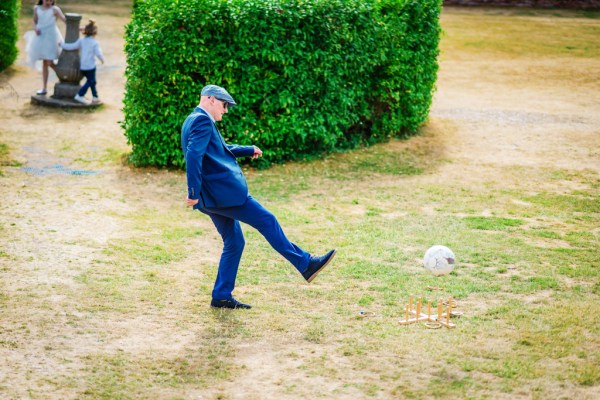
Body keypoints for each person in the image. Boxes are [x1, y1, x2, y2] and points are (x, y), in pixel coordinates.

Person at [182, 85, 337, 309]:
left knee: (234, 242)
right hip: (223, 195)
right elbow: (194, 155)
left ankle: (221, 296)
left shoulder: (193, 119)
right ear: (211, 100)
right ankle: (306, 264)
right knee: (267, 220)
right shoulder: (202, 121)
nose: (226, 110)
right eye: (224, 105)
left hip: (212, 198)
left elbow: (219, 150)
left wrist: (247, 149)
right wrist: (193, 192)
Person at [25, 0, 66, 95]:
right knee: (45, 62)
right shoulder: (36, 8)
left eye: (51, 0)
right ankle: (44, 88)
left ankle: (63, 75)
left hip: (51, 38)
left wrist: (77, 27)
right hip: (40, 37)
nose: (49, 2)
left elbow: (64, 20)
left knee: (49, 62)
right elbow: (34, 21)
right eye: (47, 0)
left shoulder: (55, 9)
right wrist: (35, 28)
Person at [60, 19, 105, 104]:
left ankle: (95, 97)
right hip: (91, 66)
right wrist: (102, 60)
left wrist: (62, 45)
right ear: (95, 32)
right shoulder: (95, 43)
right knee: (91, 81)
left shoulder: (82, 41)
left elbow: (72, 46)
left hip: (83, 66)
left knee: (92, 81)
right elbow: (99, 53)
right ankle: (80, 95)